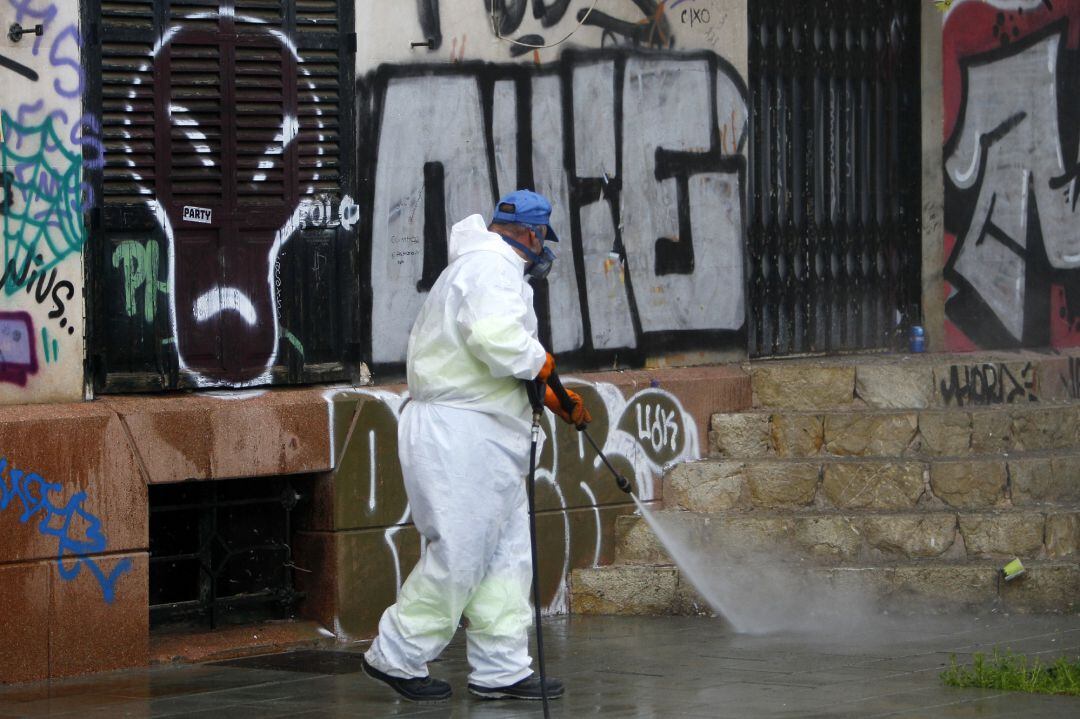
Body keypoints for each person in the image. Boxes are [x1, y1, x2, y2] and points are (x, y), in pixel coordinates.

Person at [362, 190, 592, 703]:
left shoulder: (479, 267)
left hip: (486, 432)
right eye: (541, 240)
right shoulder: (492, 267)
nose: (541, 250)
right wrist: (543, 367)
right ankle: (396, 652)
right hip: (461, 434)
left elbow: (488, 349)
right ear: (532, 235)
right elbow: (496, 338)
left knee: (506, 557)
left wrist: (548, 395)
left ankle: (501, 669)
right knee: (462, 552)